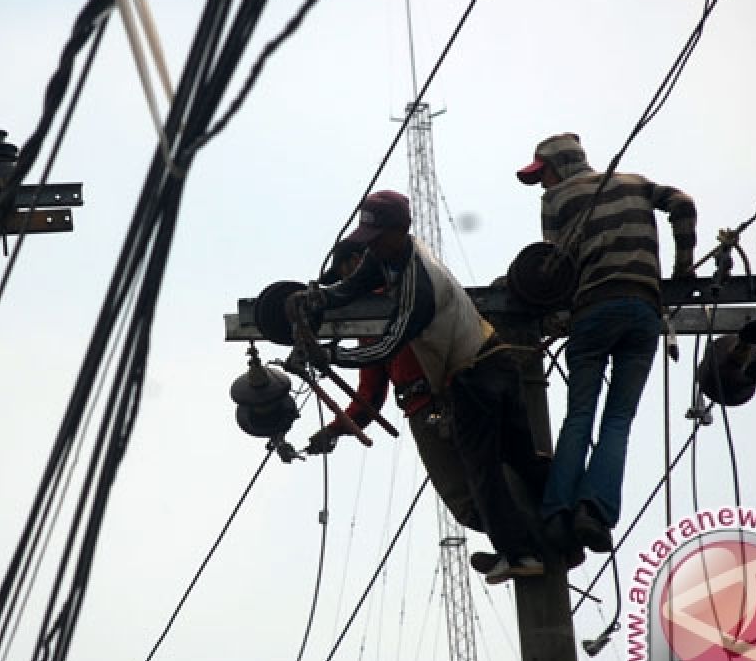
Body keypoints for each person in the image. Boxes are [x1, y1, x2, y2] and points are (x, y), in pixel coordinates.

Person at [287, 190, 546, 584]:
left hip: (471, 376)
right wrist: (317, 299)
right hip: (487, 363)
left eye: (375, 238)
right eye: (365, 240)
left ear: (398, 231)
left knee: (482, 477)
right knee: (521, 459)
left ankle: (522, 553)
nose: (369, 247)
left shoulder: (415, 286)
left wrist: (330, 356)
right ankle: (564, 530)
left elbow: (388, 346)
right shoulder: (387, 258)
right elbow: (350, 294)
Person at [516, 132, 696, 552]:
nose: (543, 183)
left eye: (544, 174)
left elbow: (554, 269)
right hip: (643, 311)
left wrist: (557, 317)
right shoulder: (634, 182)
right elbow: (683, 203)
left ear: (558, 167)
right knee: (618, 420)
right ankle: (593, 512)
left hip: (592, 312)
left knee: (580, 415)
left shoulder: (557, 200)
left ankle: (558, 513)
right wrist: (682, 267)